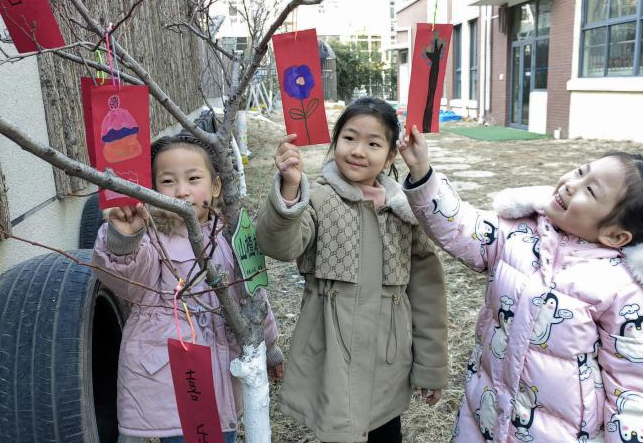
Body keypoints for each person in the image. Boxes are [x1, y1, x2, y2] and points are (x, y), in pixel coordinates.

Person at [398, 125, 643, 443]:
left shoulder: (626, 290)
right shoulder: (518, 231)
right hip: (486, 416)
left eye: (590, 191)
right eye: (580, 172)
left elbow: (641, 391)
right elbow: (461, 226)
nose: (572, 185)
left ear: (615, 235)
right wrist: (422, 172)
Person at [255, 98, 448, 443]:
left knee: (385, 431)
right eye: (349, 138)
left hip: (387, 362)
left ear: (390, 156)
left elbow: (427, 297)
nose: (359, 151)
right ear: (335, 141)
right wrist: (289, 187)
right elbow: (281, 246)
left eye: (373, 143)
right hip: (331, 356)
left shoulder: (406, 213)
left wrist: (431, 367)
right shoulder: (317, 200)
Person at [92, 133, 283, 443]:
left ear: (216, 185)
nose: (181, 191)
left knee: (220, 434)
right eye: (167, 182)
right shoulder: (151, 239)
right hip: (169, 377)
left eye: (193, 178)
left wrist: (270, 346)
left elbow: (253, 297)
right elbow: (128, 279)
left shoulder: (232, 236)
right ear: (153, 189)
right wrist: (123, 240)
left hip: (222, 373)